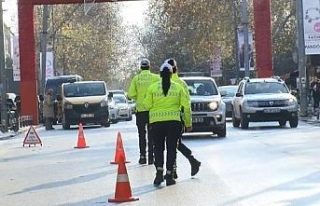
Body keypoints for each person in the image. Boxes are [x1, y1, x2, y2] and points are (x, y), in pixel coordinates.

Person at [143, 62, 192, 186]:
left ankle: (159, 173)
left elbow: (147, 105)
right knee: (171, 149)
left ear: (160, 75)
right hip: (174, 123)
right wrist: (188, 123)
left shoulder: (152, 88)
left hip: (156, 123)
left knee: (158, 148)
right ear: (171, 75)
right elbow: (186, 107)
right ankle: (169, 175)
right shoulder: (178, 87)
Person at [165, 58, 201, 179]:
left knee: (173, 144)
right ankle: (186, 164)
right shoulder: (182, 84)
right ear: (177, 69)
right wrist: (188, 122)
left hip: (166, 118)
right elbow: (187, 105)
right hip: (178, 119)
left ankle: (175, 168)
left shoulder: (161, 83)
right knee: (175, 143)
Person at [127, 58, 160, 165]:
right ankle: (151, 157)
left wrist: (139, 97)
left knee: (141, 134)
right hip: (152, 110)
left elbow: (130, 94)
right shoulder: (155, 78)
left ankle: (142, 157)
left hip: (140, 110)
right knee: (152, 135)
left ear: (141, 67)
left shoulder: (136, 79)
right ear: (149, 67)